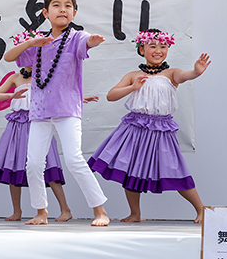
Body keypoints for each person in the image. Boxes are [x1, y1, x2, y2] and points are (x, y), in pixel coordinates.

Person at [4, 0, 110, 226]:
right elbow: (9, 58)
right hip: (39, 111)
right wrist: (31, 42)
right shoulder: (39, 43)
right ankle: (41, 212)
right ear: (45, 12)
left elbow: (88, 43)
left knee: (73, 159)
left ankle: (100, 211)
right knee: (33, 163)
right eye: (56, 5)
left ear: (74, 13)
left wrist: (93, 42)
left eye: (67, 6)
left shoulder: (77, 37)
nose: (62, 9)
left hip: (67, 109)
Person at [88, 29, 210, 223]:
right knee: (130, 168)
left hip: (161, 129)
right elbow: (111, 96)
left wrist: (196, 71)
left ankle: (201, 209)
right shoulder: (133, 75)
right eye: (152, 46)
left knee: (174, 169)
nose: (158, 50)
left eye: (163, 46)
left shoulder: (172, 73)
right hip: (135, 127)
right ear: (142, 49)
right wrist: (133, 87)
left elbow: (185, 75)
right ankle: (135, 213)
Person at [0, 30, 72, 222]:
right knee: (14, 167)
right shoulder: (15, 78)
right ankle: (17, 211)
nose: (28, 57)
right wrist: (11, 96)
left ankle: (65, 209)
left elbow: (62, 94)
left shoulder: (47, 76)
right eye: (25, 52)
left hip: (39, 122)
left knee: (48, 168)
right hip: (17, 126)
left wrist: (81, 99)